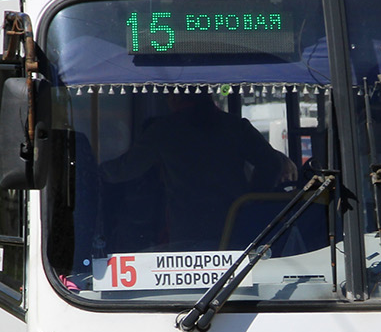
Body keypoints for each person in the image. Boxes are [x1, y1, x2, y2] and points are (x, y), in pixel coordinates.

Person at [99, 90, 297, 249]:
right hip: (236, 227)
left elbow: (125, 169)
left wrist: (90, 170)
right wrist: (251, 199)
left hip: (187, 232)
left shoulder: (164, 130)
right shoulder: (235, 127)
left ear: (175, 95)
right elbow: (271, 163)